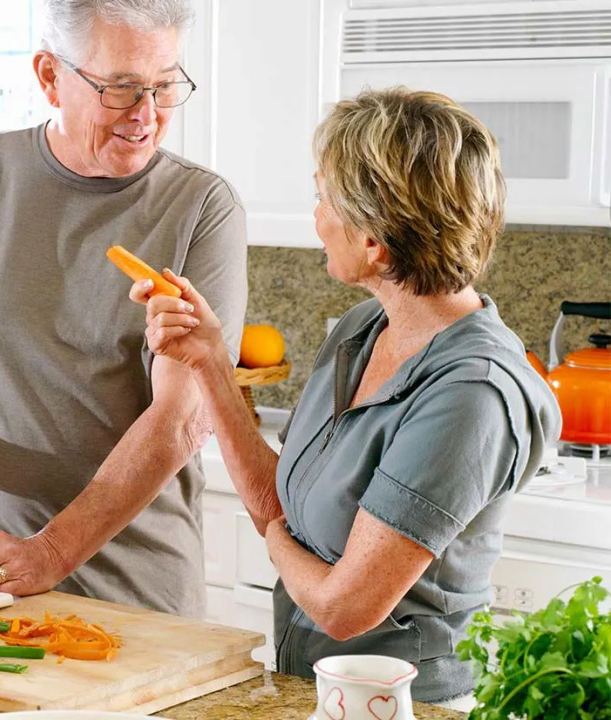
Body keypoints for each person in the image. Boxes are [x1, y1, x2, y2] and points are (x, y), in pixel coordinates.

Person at [130, 87, 561, 703]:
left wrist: (275, 536)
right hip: (317, 695)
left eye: (324, 196)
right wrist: (209, 359)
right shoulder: (363, 330)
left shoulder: (472, 392)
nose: (316, 215)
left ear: (373, 240)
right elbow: (279, 501)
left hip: (409, 708)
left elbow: (343, 607)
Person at [0, 0, 247, 618]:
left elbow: (183, 416)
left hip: (139, 599)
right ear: (50, 76)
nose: (147, 116)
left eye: (164, 86)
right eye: (121, 89)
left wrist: (50, 552)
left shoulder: (202, 207)